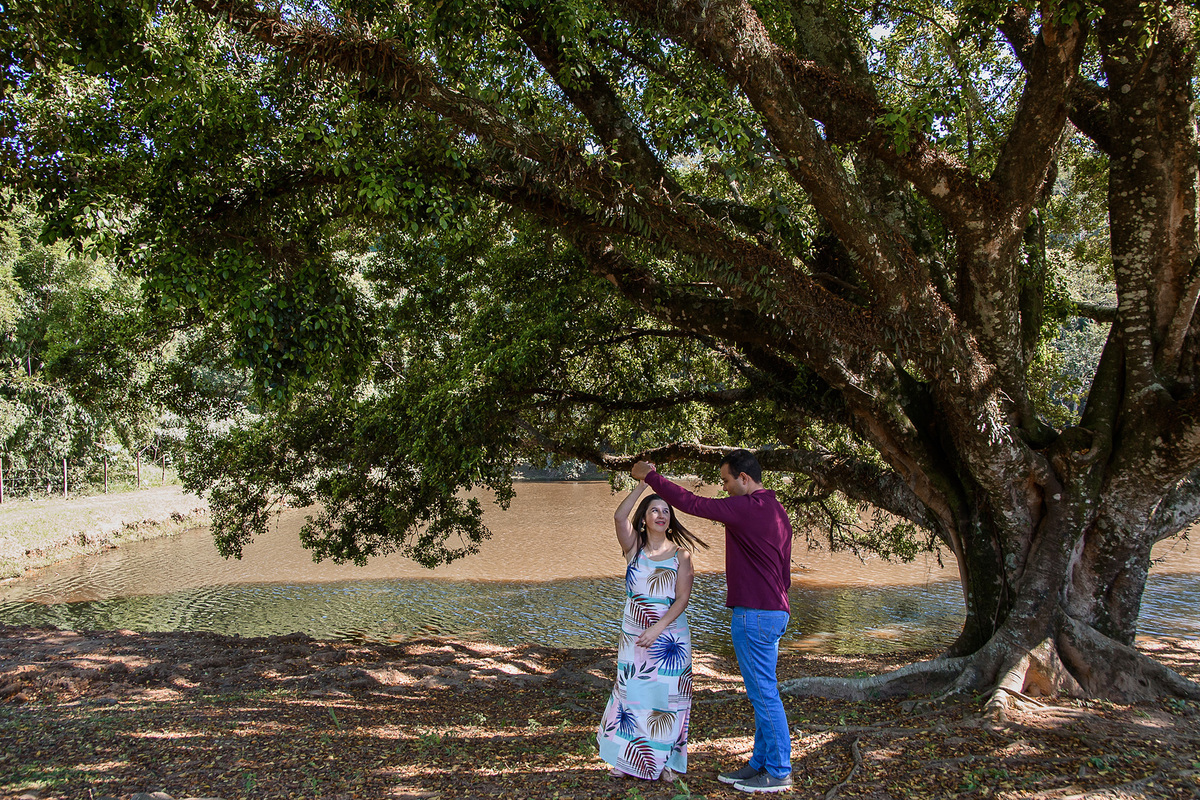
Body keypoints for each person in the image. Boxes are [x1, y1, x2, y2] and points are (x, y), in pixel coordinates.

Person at [632, 450, 794, 794]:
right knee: (764, 692)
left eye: (726, 481)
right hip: (774, 610)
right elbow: (784, 573)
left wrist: (651, 477)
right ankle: (759, 765)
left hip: (755, 613)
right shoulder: (777, 511)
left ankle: (779, 771)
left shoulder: (747, 508)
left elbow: (693, 504)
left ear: (744, 479)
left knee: (764, 695)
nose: (724, 488)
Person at [597, 479, 708, 783]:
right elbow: (620, 517)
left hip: (670, 638)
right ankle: (627, 758)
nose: (661, 515)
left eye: (666, 511)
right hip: (634, 636)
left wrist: (658, 629)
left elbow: (682, 599)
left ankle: (668, 762)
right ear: (644, 519)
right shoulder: (633, 549)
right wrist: (641, 485)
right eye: (654, 510)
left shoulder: (681, 556)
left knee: (668, 701)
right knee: (632, 696)